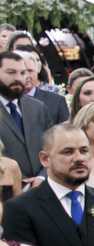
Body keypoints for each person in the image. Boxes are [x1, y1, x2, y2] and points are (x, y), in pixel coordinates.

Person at [0, 51, 54, 181]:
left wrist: (41, 177)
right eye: (11, 72)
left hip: (40, 188)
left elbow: (53, 146)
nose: (18, 78)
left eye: (23, 73)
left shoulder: (38, 107)